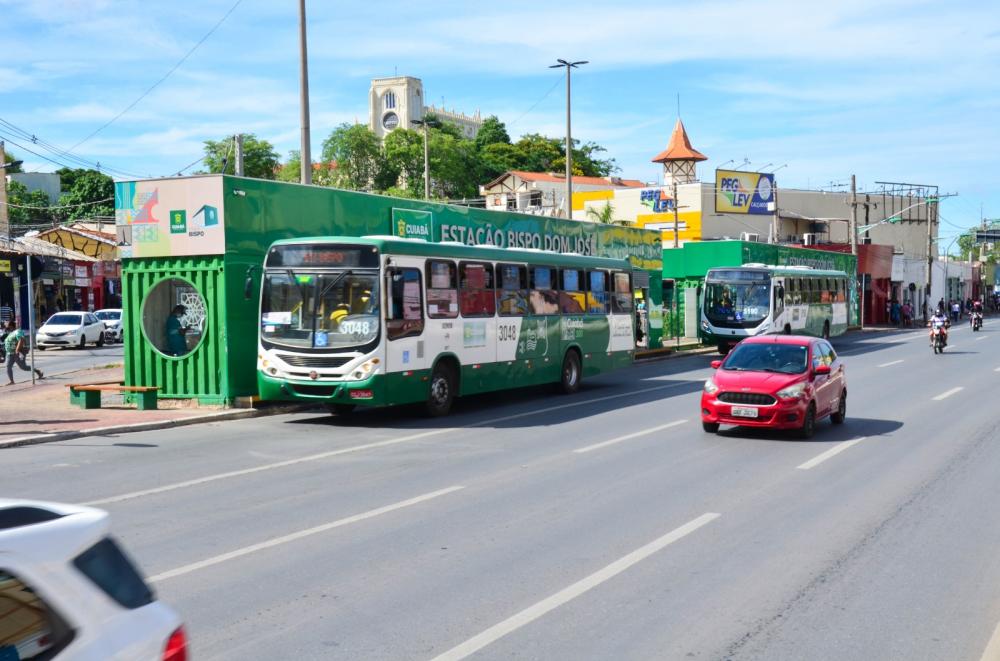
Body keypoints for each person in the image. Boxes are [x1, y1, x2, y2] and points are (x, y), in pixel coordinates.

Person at [4, 320, 43, 385]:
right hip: (9, 354)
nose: (5, 327)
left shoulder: (17, 332)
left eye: (7, 326)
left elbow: (21, 340)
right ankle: (12, 381)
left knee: (23, 367)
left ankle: (37, 371)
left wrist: (17, 350)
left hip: (17, 353)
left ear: (11, 326)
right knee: (8, 367)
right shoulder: (10, 333)